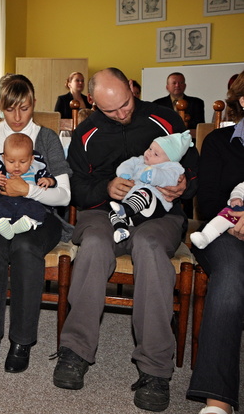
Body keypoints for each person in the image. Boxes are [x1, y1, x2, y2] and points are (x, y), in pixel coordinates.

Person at [53, 68, 197, 412]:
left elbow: (195, 171)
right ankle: (75, 351)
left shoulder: (165, 118)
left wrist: (183, 185)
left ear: (132, 89)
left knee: (149, 247)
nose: (121, 114)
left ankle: (155, 369)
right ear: (93, 103)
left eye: (126, 104)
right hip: (103, 213)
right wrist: (106, 187)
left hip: (159, 214)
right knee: (94, 246)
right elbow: (76, 190)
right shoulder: (86, 132)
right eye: (111, 110)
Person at [0, 74, 70, 373]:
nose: (18, 117)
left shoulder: (47, 137)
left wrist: (29, 190)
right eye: (10, 109)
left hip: (39, 215)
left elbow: (64, 195)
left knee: (25, 247)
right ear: (0, 107)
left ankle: (22, 341)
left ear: (34, 104)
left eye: (24, 108)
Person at [186, 71, 244, 414]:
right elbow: (206, 203)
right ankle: (218, 400)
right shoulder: (218, 142)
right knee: (232, 275)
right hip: (221, 232)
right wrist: (236, 220)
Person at [108, 131, 193, 243]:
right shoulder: (140, 160)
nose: (149, 153)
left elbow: (168, 178)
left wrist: (152, 175)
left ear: (169, 160)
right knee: (113, 213)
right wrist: (124, 174)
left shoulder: (173, 168)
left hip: (155, 205)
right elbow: (127, 165)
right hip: (136, 210)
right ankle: (121, 230)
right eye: (150, 148)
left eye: (156, 154)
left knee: (145, 192)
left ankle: (126, 209)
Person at [0, 132, 57, 240]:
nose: (17, 166)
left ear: (31, 160)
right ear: (4, 159)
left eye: (23, 162)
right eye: (11, 161)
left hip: (27, 202)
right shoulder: (0, 172)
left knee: (38, 208)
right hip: (5, 202)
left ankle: (27, 222)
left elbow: (53, 181)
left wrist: (49, 181)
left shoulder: (37, 171)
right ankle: (0, 223)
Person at [190, 180, 244, 249]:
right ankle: (206, 236)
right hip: (239, 210)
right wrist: (236, 197)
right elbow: (240, 188)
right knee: (223, 218)